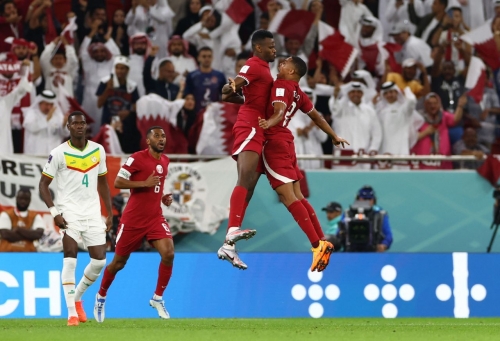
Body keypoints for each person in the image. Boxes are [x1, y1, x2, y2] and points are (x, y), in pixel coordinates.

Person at [257, 56, 349, 271]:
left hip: (274, 141)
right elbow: (317, 117)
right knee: (298, 196)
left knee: (287, 197)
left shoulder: (280, 85)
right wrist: (334, 135)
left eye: (285, 62)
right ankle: (322, 241)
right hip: (289, 143)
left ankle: (316, 245)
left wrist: (267, 122)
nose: (281, 63)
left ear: (292, 71)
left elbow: (278, 112)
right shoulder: (299, 92)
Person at [39, 111, 113, 326]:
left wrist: (108, 213)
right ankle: (72, 313)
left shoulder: (98, 150)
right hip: (68, 211)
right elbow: (43, 185)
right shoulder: (58, 153)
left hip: (92, 212)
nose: (80, 126)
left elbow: (103, 183)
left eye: (83, 123)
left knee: (99, 261)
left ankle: (78, 297)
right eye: (75, 124)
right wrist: (55, 212)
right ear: (68, 127)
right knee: (70, 256)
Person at [94, 126, 174, 322]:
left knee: (169, 253)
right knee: (119, 263)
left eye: (163, 136)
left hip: (155, 217)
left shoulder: (165, 160)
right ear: (148, 141)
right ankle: (101, 296)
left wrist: (162, 196)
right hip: (133, 221)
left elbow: (156, 185)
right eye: (157, 136)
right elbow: (118, 182)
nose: (161, 139)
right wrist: (143, 184)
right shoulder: (136, 158)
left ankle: (158, 298)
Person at [216, 29, 276, 270]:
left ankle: (229, 244)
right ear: (258, 48)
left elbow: (229, 97)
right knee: (245, 177)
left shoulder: (263, 68)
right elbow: (229, 89)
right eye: (271, 46)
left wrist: (242, 97)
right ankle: (231, 234)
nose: (274, 50)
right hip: (250, 126)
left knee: (249, 184)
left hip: (256, 125)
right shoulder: (254, 65)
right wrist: (232, 85)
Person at [22, 90, 68, 156]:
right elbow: (32, 128)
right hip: (34, 155)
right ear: (40, 103)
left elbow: (65, 134)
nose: (49, 107)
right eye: (46, 104)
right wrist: (46, 119)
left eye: (51, 105)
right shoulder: (32, 113)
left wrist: (64, 125)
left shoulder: (58, 115)